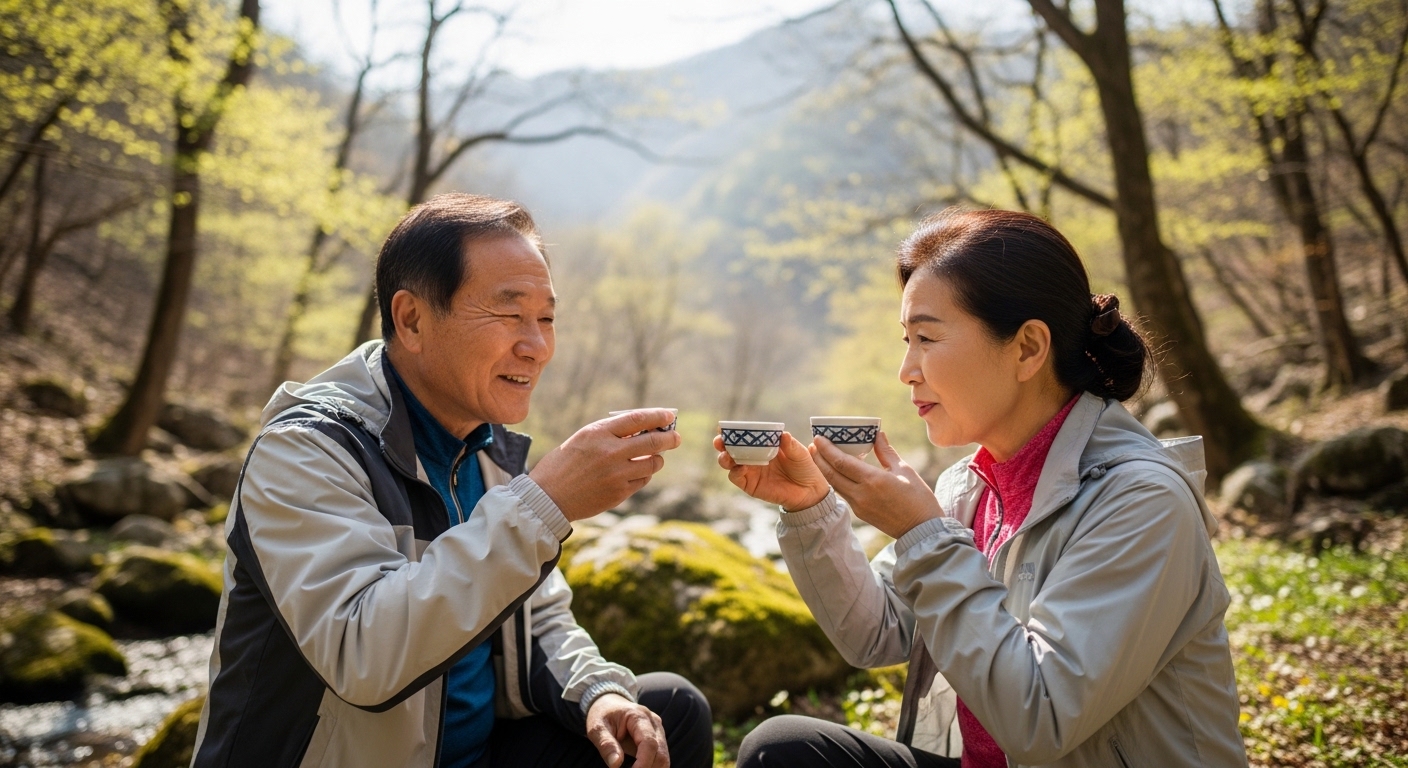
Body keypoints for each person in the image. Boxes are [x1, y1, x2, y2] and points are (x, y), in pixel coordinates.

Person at [716, 209, 1248, 768]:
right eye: (906, 340)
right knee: (787, 751)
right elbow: (876, 633)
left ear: (1026, 348)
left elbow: (1042, 717)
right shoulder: (969, 486)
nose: (906, 370)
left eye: (926, 337)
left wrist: (922, 533)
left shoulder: (1141, 501)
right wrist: (811, 508)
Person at [193, 194, 711, 768]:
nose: (536, 346)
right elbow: (362, 655)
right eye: (509, 313)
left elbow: (535, 621)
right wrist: (546, 502)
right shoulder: (307, 450)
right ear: (412, 320)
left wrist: (597, 692)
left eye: (546, 318)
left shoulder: (488, 452)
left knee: (665, 713)